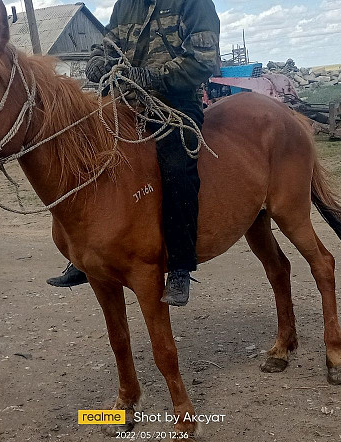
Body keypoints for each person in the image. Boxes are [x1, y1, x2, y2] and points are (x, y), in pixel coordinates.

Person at [46, 0, 221, 307]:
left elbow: (203, 61)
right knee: (85, 158)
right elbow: (107, 47)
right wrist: (97, 62)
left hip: (174, 104)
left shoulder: (194, 4)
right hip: (124, 103)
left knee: (177, 169)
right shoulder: (125, 5)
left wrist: (149, 77)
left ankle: (179, 266)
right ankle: (88, 253)